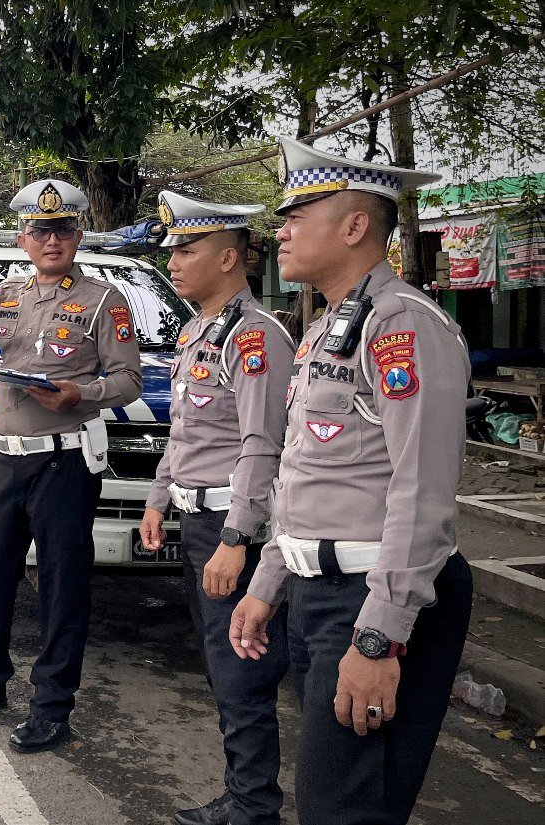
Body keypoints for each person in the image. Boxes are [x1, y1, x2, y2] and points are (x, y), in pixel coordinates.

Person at [229, 137, 469, 825]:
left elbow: (423, 493)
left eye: (298, 213)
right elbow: (305, 472)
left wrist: (380, 638)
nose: (282, 229)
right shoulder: (328, 329)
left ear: (356, 225)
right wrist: (268, 582)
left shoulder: (402, 326)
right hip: (319, 591)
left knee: (344, 806)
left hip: (374, 598)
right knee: (340, 800)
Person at [0, 179, 143, 752]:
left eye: (62, 230)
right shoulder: (9, 294)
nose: (51, 240)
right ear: (23, 239)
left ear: (77, 235)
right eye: (39, 230)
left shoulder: (106, 300)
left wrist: (80, 394)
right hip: (7, 459)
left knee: (61, 587)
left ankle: (53, 706)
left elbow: (128, 379)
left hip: (65, 462)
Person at [139, 191, 294, 825]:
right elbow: (186, 431)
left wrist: (236, 537)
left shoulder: (255, 338)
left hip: (237, 527)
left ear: (230, 258)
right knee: (223, 663)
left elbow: (263, 444)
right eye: (172, 249)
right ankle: (245, 792)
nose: (173, 261)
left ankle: (253, 804)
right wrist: (157, 498)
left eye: (187, 249)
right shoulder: (200, 329)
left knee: (241, 670)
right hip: (198, 520)